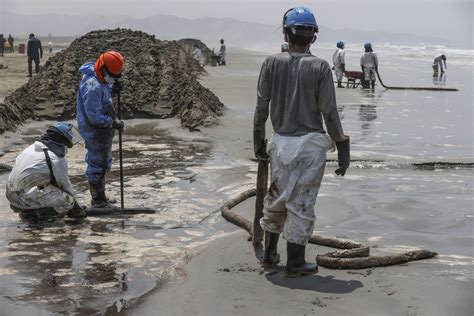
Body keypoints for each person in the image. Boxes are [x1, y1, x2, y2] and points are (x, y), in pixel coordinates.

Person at [253, 6, 350, 278]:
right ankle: (295, 263)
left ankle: (271, 255)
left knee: (276, 198)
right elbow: (329, 112)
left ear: (286, 33)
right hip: (310, 148)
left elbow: (261, 108)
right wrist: (343, 149)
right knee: (302, 203)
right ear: (313, 37)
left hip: (280, 145)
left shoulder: (271, 63)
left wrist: (258, 142)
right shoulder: (319, 67)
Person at [6, 122, 87, 222]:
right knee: (68, 200)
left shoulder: (30, 149)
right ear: (63, 140)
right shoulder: (55, 158)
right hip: (24, 198)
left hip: (11, 196)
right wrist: (76, 209)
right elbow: (64, 185)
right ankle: (38, 214)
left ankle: (29, 209)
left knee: (45, 187)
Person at [76, 50, 125, 209]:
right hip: (95, 130)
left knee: (104, 161)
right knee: (97, 163)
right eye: (113, 75)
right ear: (103, 69)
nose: (114, 78)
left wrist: (113, 89)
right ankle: (98, 201)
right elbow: (94, 116)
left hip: (103, 129)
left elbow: (103, 95)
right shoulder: (92, 87)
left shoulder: (100, 78)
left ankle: (101, 196)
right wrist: (112, 123)